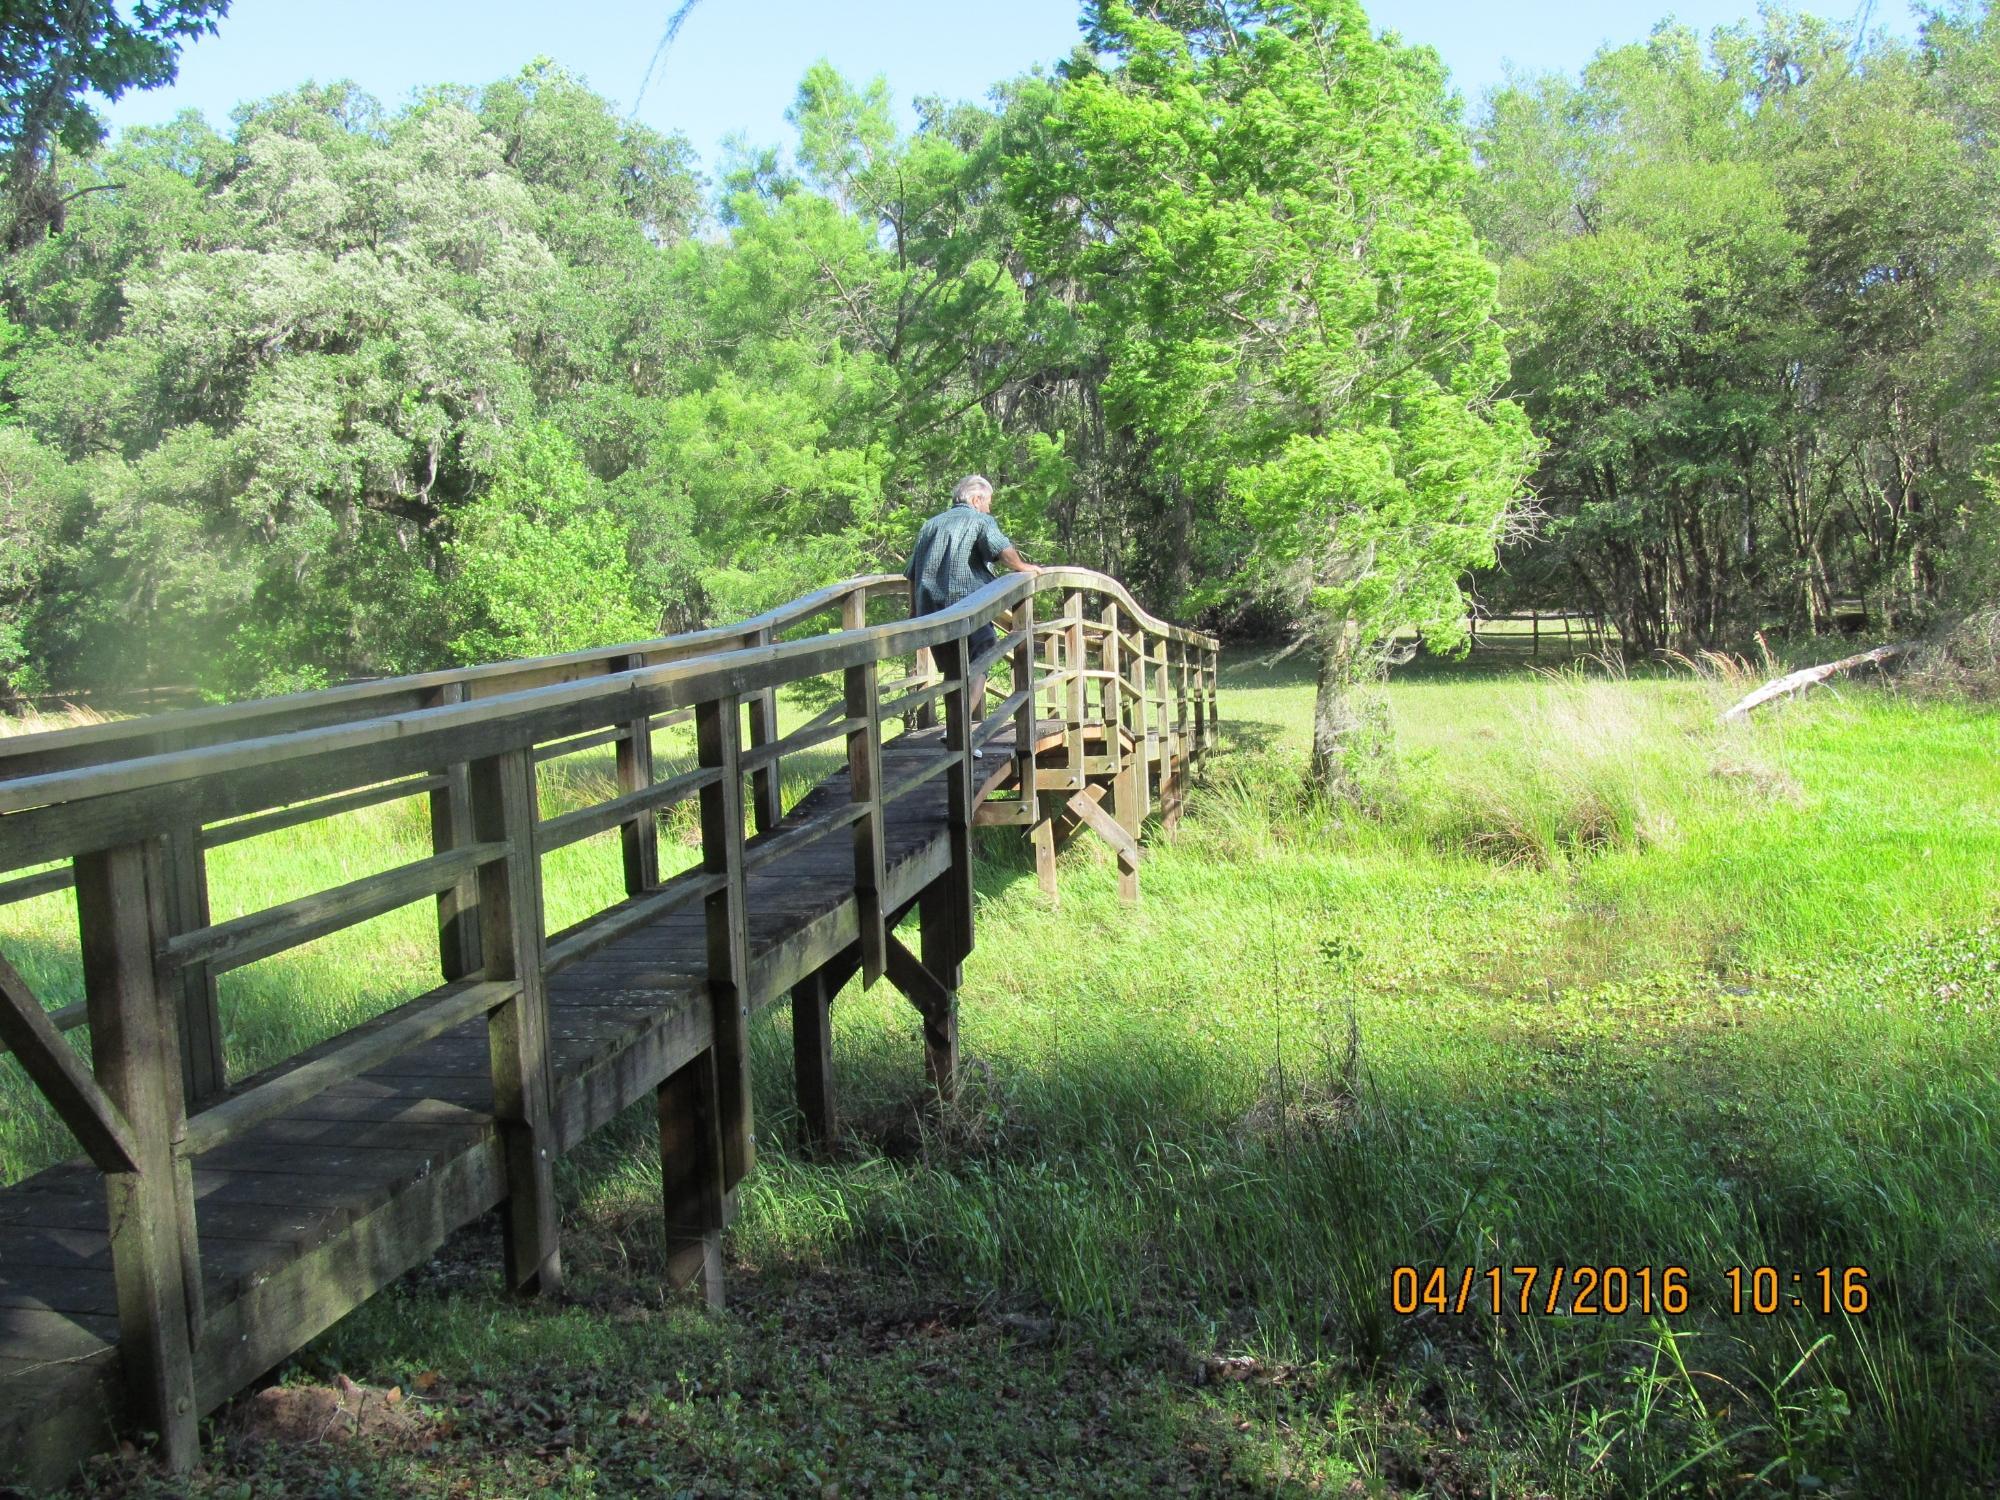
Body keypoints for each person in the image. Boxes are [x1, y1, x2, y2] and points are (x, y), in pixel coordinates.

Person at [904, 475, 1042, 744]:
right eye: (988, 502)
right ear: (976, 499)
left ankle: (955, 731)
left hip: (931, 608)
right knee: (983, 656)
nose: (989, 508)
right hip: (967, 605)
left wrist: (914, 610)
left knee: (954, 670)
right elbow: (1002, 549)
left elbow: (912, 573)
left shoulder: (930, 525)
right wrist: (1024, 568)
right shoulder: (980, 520)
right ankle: (959, 731)